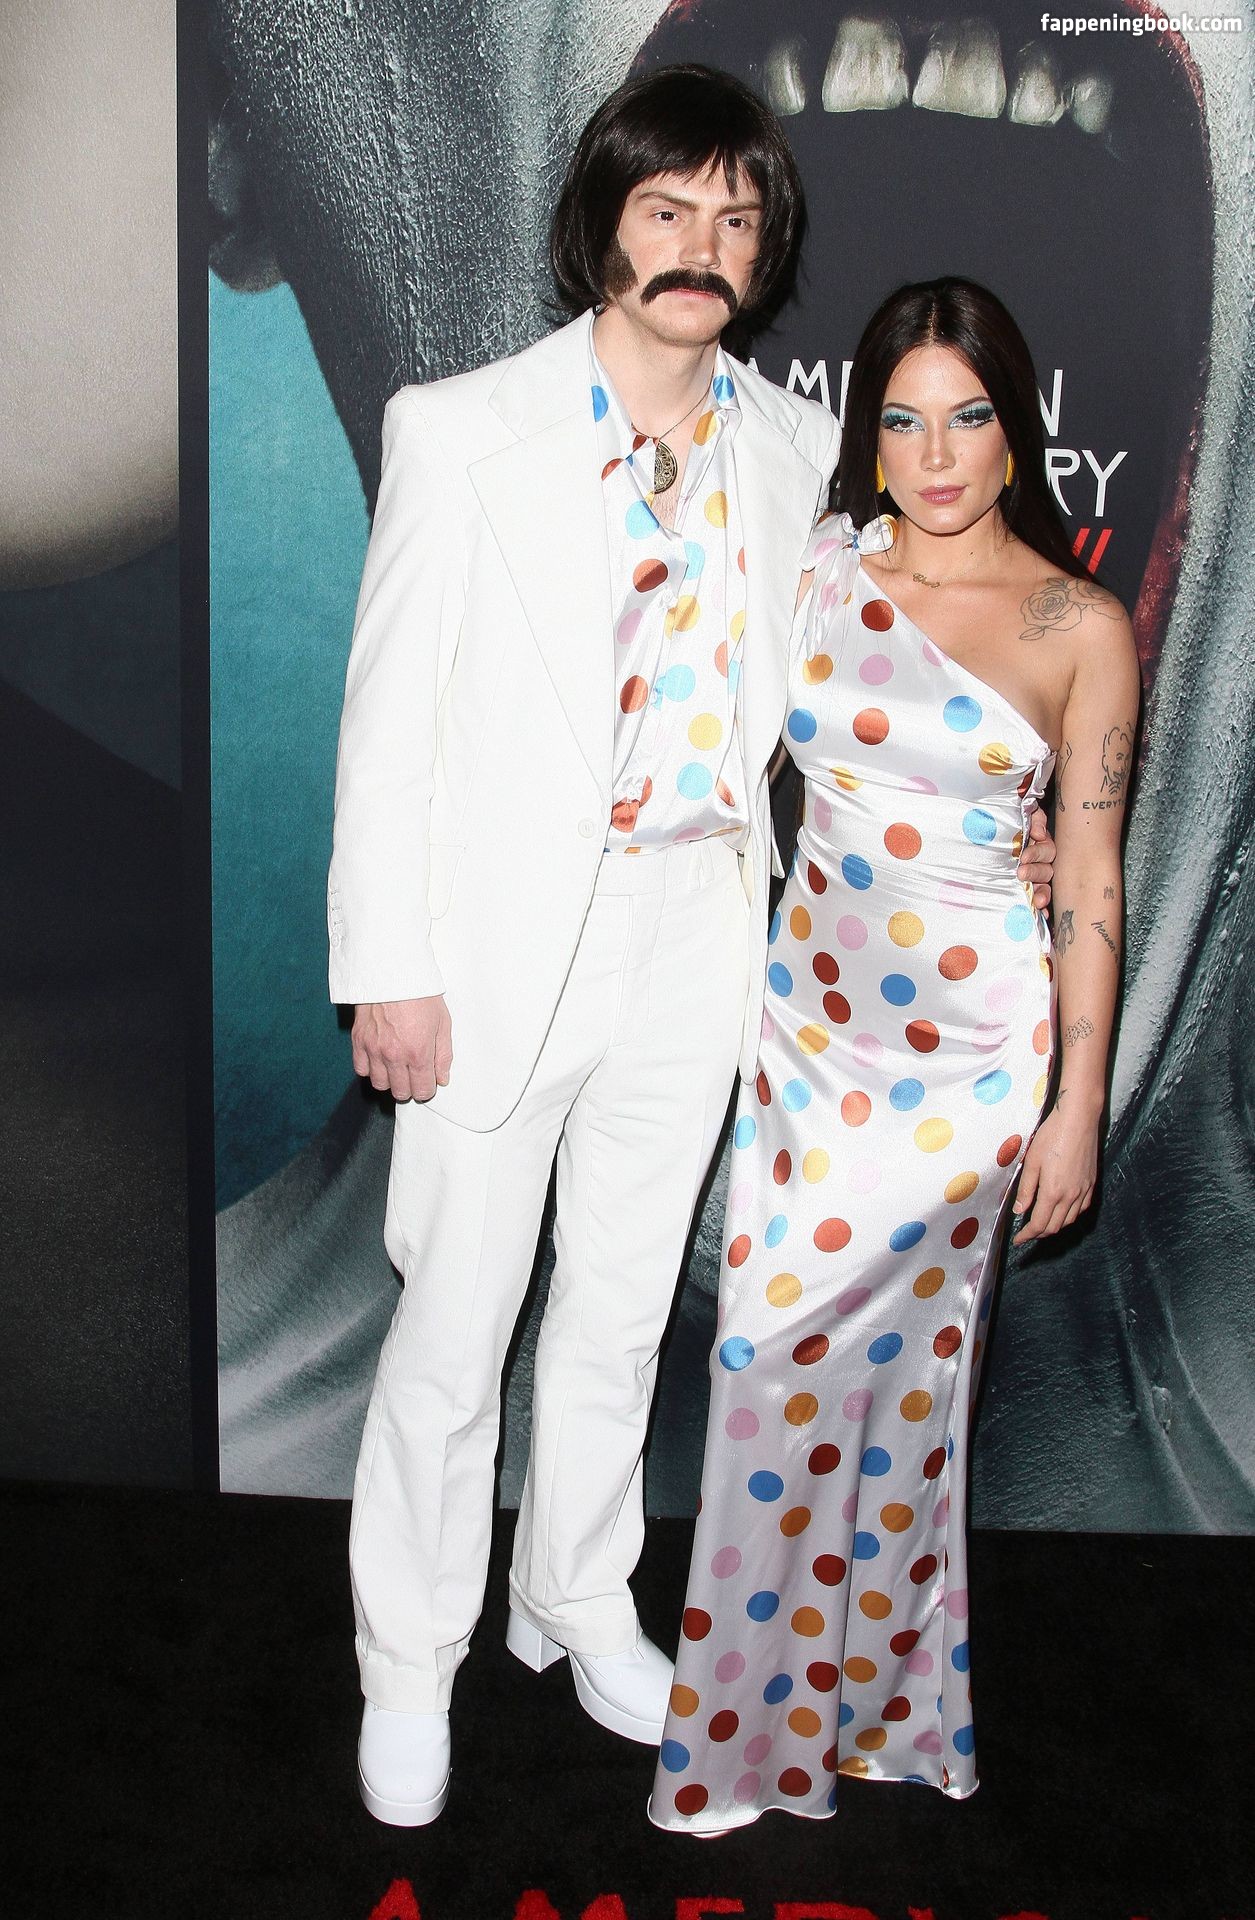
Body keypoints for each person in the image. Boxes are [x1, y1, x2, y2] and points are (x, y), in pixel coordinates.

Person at [650, 276, 1138, 1836]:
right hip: (807, 1035)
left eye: (969, 417)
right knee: (769, 1363)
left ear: (1015, 430)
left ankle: (847, 1721)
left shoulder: (1078, 627)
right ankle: (790, 1729)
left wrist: (1077, 1105)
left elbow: (1095, 879)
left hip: (970, 1064)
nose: (936, 456)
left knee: (901, 1395)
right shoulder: (818, 569)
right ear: (868, 434)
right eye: (905, 421)